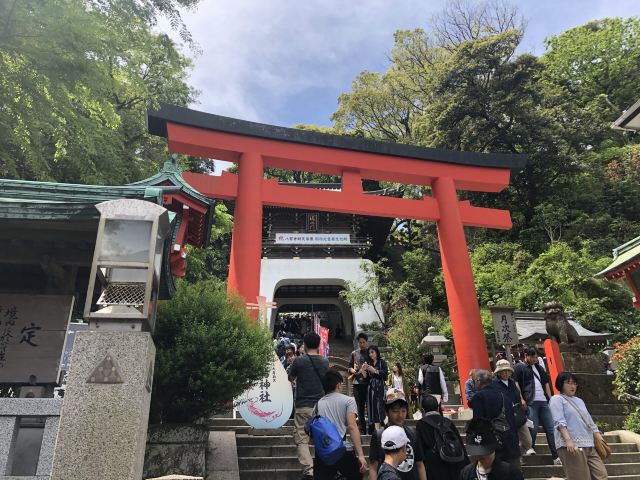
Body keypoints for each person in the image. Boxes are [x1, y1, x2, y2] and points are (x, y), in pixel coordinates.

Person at [549, 371, 609, 480]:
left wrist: (600, 439)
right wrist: (568, 440)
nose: (572, 386)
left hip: (589, 444)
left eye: (574, 383)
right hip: (572, 446)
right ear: (560, 384)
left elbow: (589, 421)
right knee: (580, 477)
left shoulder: (580, 401)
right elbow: (559, 421)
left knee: (602, 475)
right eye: (568, 383)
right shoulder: (556, 399)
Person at [287, 332, 330, 480]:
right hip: (321, 406)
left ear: (304, 344)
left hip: (303, 405)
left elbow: (290, 377)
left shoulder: (299, 361)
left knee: (301, 438)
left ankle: (309, 470)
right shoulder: (325, 361)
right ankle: (324, 468)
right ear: (319, 344)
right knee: (321, 437)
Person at [314, 370, 368, 479]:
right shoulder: (348, 401)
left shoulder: (318, 404)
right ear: (338, 385)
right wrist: (361, 455)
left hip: (323, 453)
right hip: (342, 451)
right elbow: (352, 427)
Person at [512, 346, 561, 464]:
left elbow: (546, 383)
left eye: (536, 357)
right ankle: (529, 449)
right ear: (526, 355)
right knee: (532, 428)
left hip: (543, 401)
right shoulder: (519, 367)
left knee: (550, 428)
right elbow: (515, 382)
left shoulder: (539, 368)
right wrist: (521, 398)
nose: (535, 359)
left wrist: (550, 398)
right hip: (530, 401)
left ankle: (555, 456)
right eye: (533, 357)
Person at [369, 388, 427, 480]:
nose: (400, 415)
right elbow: (373, 467)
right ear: (386, 412)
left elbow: (419, 464)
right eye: (395, 411)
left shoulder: (413, 433)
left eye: (403, 411)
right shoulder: (379, 435)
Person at [469, 370, 520, 469]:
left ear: (479, 381)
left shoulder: (479, 397)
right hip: (511, 443)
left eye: (474, 381)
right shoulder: (504, 396)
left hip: (492, 448)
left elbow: (479, 424)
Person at [416, 394, 468, 479]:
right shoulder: (448, 422)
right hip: (454, 467)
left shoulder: (421, 424)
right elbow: (460, 444)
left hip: (434, 469)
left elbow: (420, 451)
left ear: (423, 410)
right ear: (437, 408)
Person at [492, 359, 532, 460]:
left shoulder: (512, 382)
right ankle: (518, 458)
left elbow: (517, 396)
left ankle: (521, 453)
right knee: (512, 440)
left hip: (517, 414)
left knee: (528, 440)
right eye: (503, 371)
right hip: (504, 417)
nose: (506, 373)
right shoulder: (494, 384)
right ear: (498, 372)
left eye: (507, 370)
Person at [348, 332, 371, 434]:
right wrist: (352, 370)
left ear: (367, 342)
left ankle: (371, 428)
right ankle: (362, 429)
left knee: (370, 406)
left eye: (363, 342)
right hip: (357, 383)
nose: (361, 344)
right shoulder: (354, 353)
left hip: (369, 383)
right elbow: (349, 367)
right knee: (359, 407)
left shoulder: (371, 353)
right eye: (360, 342)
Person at [365, 345, 389, 433]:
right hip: (371, 386)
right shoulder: (369, 363)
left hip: (379, 386)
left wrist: (374, 370)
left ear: (376, 352)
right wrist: (364, 370)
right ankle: (372, 427)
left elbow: (385, 374)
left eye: (372, 352)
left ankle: (382, 425)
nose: (371, 354)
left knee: (380, 404)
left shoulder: (382, 362)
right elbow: (366, 377)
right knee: (371, 404)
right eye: (369, 353)